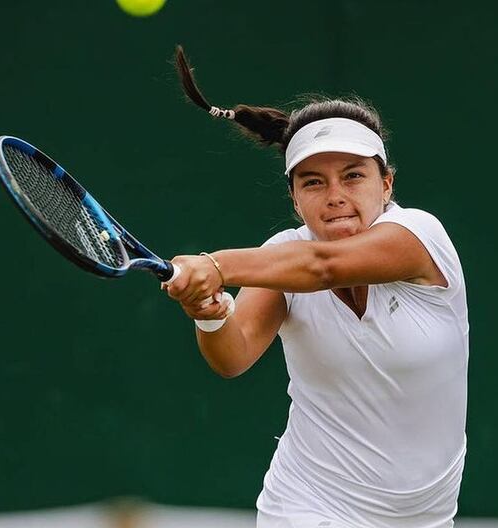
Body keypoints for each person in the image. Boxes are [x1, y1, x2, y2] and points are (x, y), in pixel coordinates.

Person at [164, 47, 469, 528]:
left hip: (424, 519)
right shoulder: (282, 255)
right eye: (313, 182)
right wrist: (209, 311)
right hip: (308, 503)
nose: (335, 198)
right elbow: (232, 356)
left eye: (353, 176)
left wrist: (214, 264)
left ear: (386, 184)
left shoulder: (419, 236)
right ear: (294, 197)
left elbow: (323, 266)